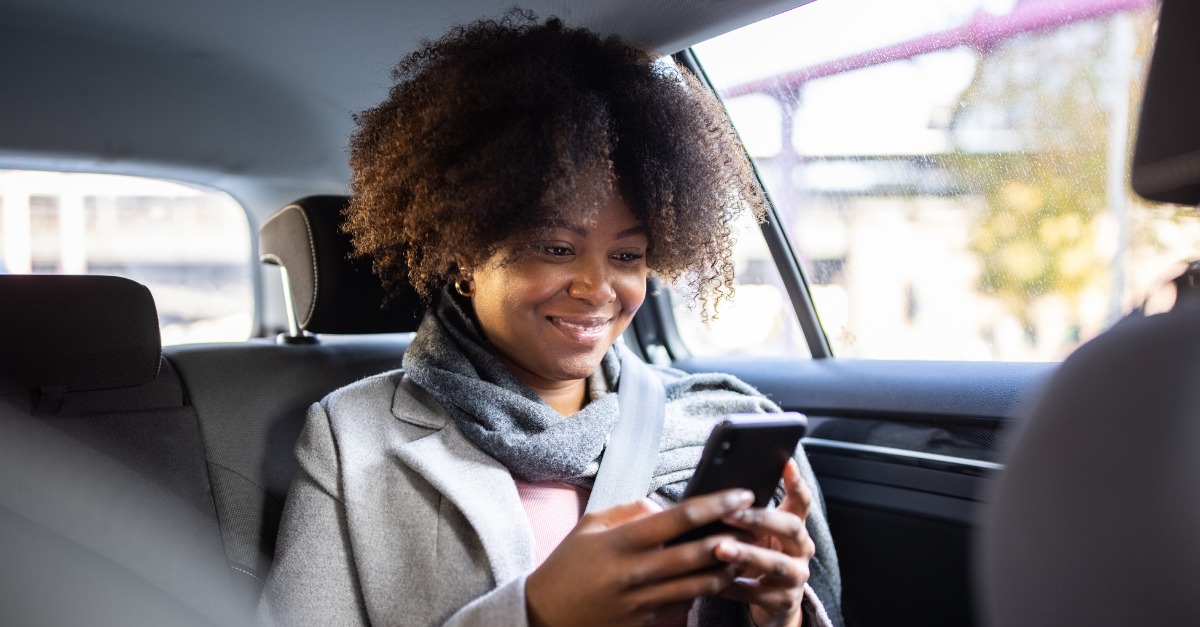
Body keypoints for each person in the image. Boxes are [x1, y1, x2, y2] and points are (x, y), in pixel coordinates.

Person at [259, 10, 843, 627]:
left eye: (627, 255)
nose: (598, 288)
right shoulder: (352, 436)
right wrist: (535, 613)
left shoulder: (710, 419)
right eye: (557, 248)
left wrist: (778, 617)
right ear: (465, 252)